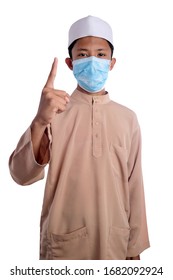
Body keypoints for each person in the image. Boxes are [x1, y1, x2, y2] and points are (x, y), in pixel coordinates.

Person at [9, 15, 150, 260]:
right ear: (70, 63)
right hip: (64, 245)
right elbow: (21, 176)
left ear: (112, 62)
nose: (93, 61)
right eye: (83, 55)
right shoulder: (54, 113)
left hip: (114, 243)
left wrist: (134, 248)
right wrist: (40, 120)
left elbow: (134, 185)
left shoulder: (128, 118)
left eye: (101, 54)